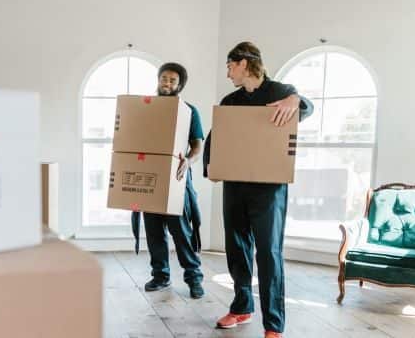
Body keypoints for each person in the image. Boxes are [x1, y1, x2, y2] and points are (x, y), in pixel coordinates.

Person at [203, 42, 314, 338]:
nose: (227, 73)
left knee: (268, 253)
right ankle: (241, 307)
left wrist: (296, 100)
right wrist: (211, 168)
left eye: (229, 66)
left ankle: (273, 324)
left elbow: (308, 107)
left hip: (268, 189)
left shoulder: (280, 92)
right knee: (237, 249)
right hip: (235, 186)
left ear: (242, 63)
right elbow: (216, 138)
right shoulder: (229, 101)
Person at [130, 62, 206, 299]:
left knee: (181, 230)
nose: (167, 83)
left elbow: (197, 145)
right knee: (153, 231)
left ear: (179, 85)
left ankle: (194, 277)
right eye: (164, 78)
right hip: (149, 175)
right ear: (158, 79)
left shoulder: (188, 111)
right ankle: (161, 276)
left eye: (173, 80)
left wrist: (189, 161)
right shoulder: (146, 107)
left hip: (176, 177)